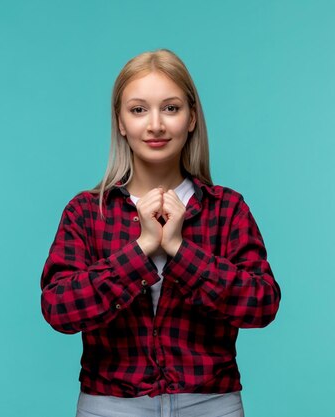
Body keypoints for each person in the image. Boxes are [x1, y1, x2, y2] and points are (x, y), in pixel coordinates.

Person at [40, 49, 281, 417]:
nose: (155, 125)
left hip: (211, 404)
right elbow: (59, 309)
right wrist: (141, 250)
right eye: (138, 110)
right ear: (120, 122)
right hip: (111, 406)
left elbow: (262, 303)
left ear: (191, 118)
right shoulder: (88, 212)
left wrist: (180, 250)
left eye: (170, 108)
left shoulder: (227, 209)